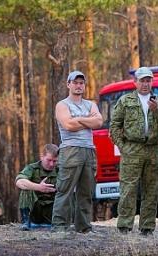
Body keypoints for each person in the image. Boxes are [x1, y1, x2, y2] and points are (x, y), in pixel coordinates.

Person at [109, 67, 158, 235]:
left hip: (153, 149)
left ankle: (147, 227)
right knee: (128, 189)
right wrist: (123, 147)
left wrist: (156, 110)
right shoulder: (126, 100)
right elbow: (114, 127)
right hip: (132, 149)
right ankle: (124, 226)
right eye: (142, 81)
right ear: (136, 82)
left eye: (148, 80)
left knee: (152, 190)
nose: (145, 84)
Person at [52, 70, 102, 233]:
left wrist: (78, 119)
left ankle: (84, 227)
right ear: (68, 84)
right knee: (65, 190)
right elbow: (68, 125)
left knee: (86, 191)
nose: (79, 85)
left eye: (81, 83)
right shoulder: (62, 105)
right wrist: (88, 120)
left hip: (89, 151)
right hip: (70, 150)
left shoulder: (90, 104)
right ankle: (60, 227)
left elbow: (99, 122)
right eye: (75, 82)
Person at [16, 144, 59, 230]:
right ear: (42, 157)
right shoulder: (32, 168)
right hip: (35, 209)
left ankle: (63, 222)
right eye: (49, 160)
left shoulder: (61, 170)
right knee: (26, 188)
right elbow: (19, 182)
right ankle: (26, 222)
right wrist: (38, 187)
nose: (51, 164)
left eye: (54, 161)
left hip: (53, 209)